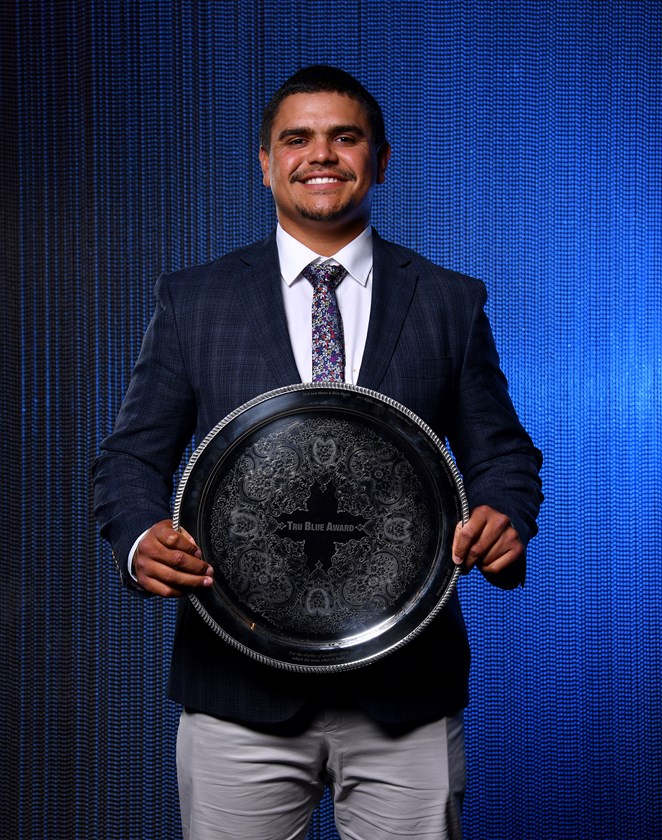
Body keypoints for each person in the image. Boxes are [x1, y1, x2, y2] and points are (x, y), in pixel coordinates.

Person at [93, 65, 542, 840]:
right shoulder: (194, 300)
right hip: (236, 686)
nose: (321, 155)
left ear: (381, 160)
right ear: (265, 163)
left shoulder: (449, 301)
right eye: (297, 139)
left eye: (345, 137)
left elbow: (501, 453)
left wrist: (505, 513)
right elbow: (131, 457)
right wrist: (139, 539)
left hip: (407, 686)